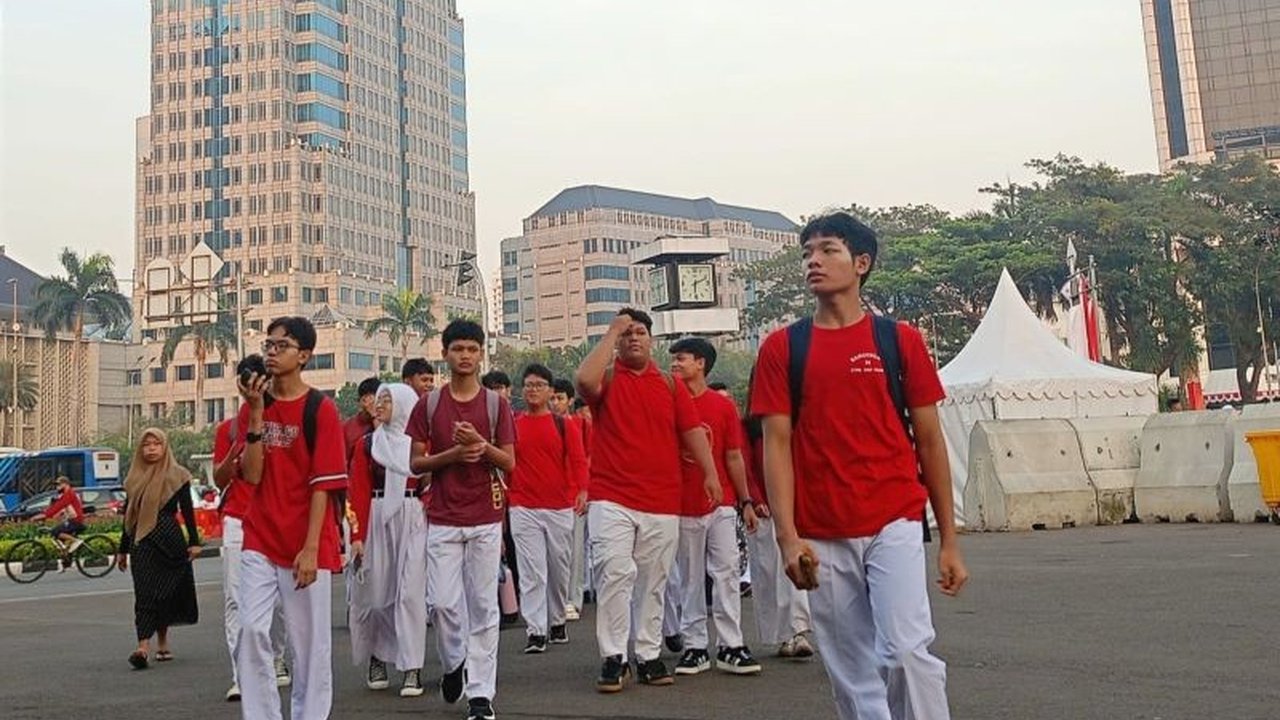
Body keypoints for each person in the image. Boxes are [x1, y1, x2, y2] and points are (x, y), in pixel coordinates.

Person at [750, 211, 969, 720]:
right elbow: (775, 446)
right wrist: (788, 537)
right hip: (822, 531)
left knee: (907, 654)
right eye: (807, 252)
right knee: (852, 671)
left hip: (893, 517)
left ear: (861, 263)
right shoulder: (783, 348)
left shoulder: (900, 340)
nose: (813, 261)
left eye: (827, 250)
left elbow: (931, 443)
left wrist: (950, 541)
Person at [573, 308, 720, 693]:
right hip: (611, 496)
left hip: (661, 499)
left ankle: (648, 654)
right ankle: (613, 657)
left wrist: (711, 474)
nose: (632, 338)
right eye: (626, 334)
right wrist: (612, 331)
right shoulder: (605, 377)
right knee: (615, 573)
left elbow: (691, 432)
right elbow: (582, 380)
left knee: (653, 581)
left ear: (651, 339)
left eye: (639, 332)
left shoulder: (671, 385)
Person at [235, 316, 348, 720]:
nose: (271, 351)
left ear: (304, 356)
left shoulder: (321, 409)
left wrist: (312, 548)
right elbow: (250, 474)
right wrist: (253, 414)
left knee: (310, 646)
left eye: (281, 345)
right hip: (260, 535)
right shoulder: (256, 404)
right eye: (268, 344)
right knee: (250, 629)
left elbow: (324, 485)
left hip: (306, 541)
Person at [408, 319, 515, 720]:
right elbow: (416, 463)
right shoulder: (429, 405)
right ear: (445, 353)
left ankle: (481, 694)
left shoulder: (495, 404)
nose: (465, 356)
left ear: (481, 353)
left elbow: (509, 462)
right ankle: (454, 662)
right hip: (443, 516)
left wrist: (480, 446)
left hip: (486, 514)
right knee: (444, 605)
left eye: (472, 348)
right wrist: (452, 454)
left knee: (484, 605)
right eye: (458, 349)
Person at [666, 337, 762, 676]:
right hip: (681, 505)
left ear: (701, 364)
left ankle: (731, 644)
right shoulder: (667, 403)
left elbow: (734, 456)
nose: (675, 365)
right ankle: (694, 646)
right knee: (689, 578)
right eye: (673, 360)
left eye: (681, 359)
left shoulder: (722, 408)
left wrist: (745, 500)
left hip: (721, 503)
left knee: (726, 571)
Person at [213, 360, 292, 701]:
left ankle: (276, 658)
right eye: (248, 384)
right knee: (236, 603)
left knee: (276, 604)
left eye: (261, 382)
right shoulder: (229, 429)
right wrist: (237, 451)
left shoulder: (287, 424)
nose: (254, 389)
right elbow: (219, 478)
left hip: (275, 521)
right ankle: (242, 674)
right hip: (236, 520)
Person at [348, 383, 429, 697]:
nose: (379, 406)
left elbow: (431, 480)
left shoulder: (419, 444)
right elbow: (357, 491)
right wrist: (357, 535)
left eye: (387, 400)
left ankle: (412, 666)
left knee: (410, 593)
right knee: (378, 594)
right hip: (377, 517)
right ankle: (378, 655)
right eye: (378, 400)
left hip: (413, 515)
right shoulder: (368, 445)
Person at [508, 364, 588, 654]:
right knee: (532, 571)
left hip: (558, 506)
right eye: (528, 384)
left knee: (558, 567)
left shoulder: (565, 425)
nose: (533, 389)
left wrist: (582, 489)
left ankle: (556, 621)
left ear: (551, 391)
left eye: (539, 385)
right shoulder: (513, 425)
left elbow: (579, 460)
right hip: (522, 506)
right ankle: (536, 630)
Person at [116, 428, 202, 670]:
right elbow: (129, 517)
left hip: (169, 539)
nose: (151, 449)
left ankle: (163, 641)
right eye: (147, 445)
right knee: (144, 593)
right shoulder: (134, 478)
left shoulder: (178, 475)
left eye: (156, 444)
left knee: (165, 592)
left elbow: (187, 510)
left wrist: (194, 542)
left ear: (165, 447)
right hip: (142, 541)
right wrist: (123, 550)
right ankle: (143, 647)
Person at [741, 405, 814, 660]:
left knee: (795, 568)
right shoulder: (750, 427)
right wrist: (752, 499)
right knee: (769, 573)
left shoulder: (793, 421)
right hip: (763, 509)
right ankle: (783, 634)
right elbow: (745, 463)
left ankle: (799, 630)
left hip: (791, 504)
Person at [550, 378, 585, 622]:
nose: (555, 403)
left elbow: (588, 458)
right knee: (554, 554)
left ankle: (573, 599)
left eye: (560, 398)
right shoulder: (541, 423)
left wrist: (585, 490)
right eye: (552, 397)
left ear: (570, 401)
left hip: (574, 496)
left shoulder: (581, 424)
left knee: (575, 552)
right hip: (550, 497)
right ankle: (555, 600)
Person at [43, 475, 86, 570]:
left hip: (76, 521)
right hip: (72, 520)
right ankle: (66, 562)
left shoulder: (69, 493)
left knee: (55, 532)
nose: (57, 487)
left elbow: (58, 506)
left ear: (65, 484)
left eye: (58, 485)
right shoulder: (65, 495)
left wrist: (45, 515)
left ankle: (76, 541)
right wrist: (53, 516)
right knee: (59, 540)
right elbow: (60, 509)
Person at [344, 376, 382, 457]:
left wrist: (374, 415)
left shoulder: (386, 422)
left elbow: (383, 444)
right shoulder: (347, 427)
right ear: (362, 400)